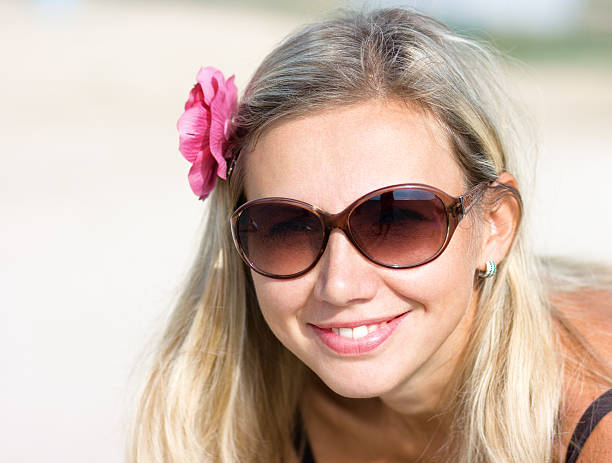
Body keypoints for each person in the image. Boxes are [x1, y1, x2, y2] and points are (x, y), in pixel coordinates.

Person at [129, 8, 612, 462]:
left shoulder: (591, 424)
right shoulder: (257, 414)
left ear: (493, 226)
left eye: (398, 221)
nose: (340, 285)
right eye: (287, 229)